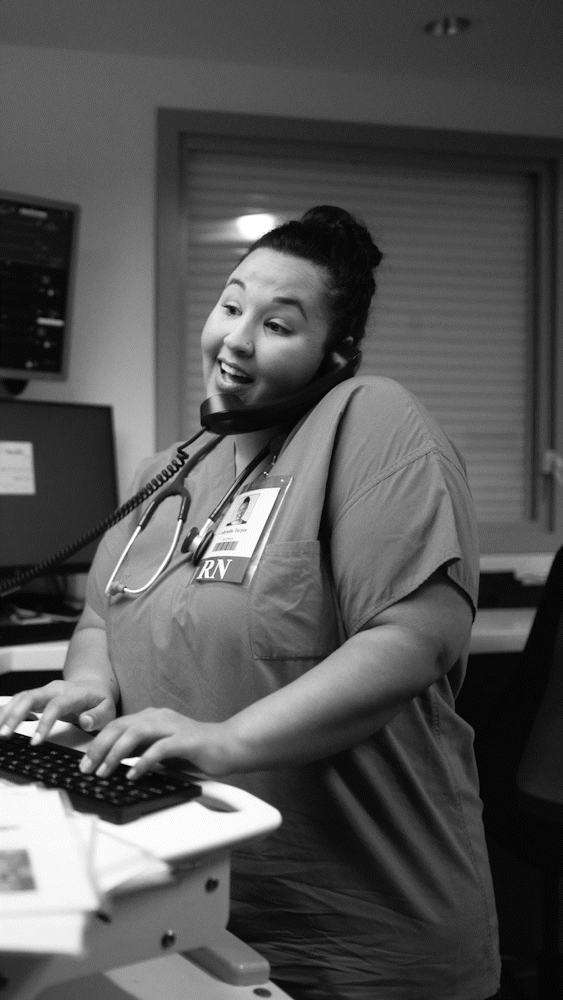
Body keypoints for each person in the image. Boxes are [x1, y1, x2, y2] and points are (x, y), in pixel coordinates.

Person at [0, 206, 501, 1000]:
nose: (235, 338)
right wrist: (92, 685)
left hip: (354, 929)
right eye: (231, 306)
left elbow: (415, 639)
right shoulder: (167, 470)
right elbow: (102, 616)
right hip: (188, 904)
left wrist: (226, 739)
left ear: (335, 352)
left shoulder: (367, 421)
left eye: (277, 323)